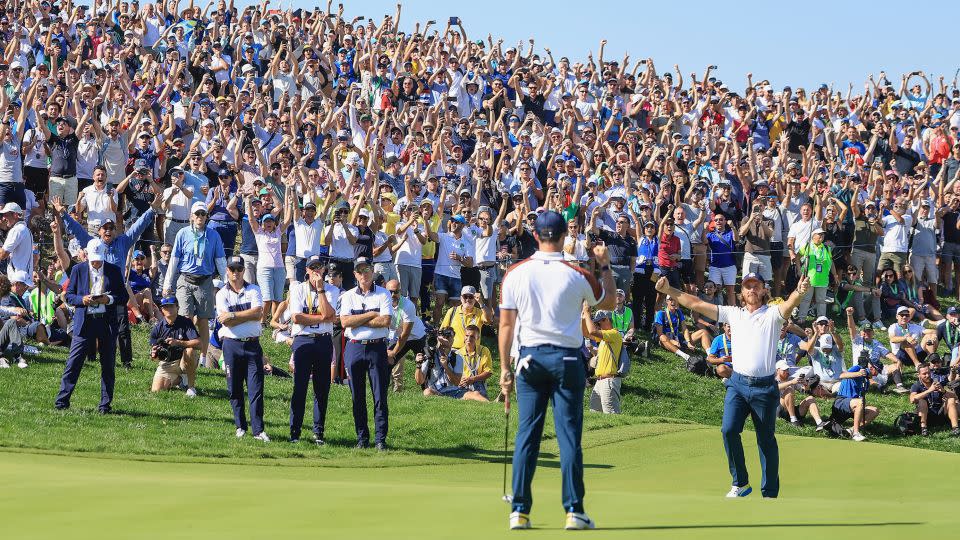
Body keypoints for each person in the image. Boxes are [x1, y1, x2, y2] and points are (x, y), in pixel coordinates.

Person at [499, 210, 616, 530]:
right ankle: (574, 510)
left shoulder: (515, 273)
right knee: (568, 437)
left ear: (535, 236)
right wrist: (604, 263)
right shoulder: (576, 273)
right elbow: (609, 302)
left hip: (529, 360)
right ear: (565, 236)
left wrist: (504, 369)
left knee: (527, 435)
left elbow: (506, 326)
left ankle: (519, 511)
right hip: (567, 361)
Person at [654, 272, 811, 498]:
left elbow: (789, 305)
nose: (752, 290)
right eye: (747, 286)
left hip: (765, 387)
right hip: (737, 384)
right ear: (741, 293)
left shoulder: (773, 315)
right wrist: (669, 290)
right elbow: (696, 302)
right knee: (728, 430)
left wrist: (800, 291)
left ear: (764, 290)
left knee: (765, 440)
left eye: (756, 286)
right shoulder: (733, 314)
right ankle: (740, 482)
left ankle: (769, 492)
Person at [54, 239, 130, 413]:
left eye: (99, 259)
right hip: (84, 322)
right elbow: (69, 296)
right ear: (86, 255)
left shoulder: (114, 270)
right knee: (73, 363)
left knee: (108, 365)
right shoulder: (78, 270)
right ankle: (61, 402)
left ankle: (105, 405)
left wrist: (108, 299)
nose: (96, 263)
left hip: (106, 322)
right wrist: (82, 300)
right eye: (93, 259)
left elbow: (123, 297)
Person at [164, 201, 228, 369]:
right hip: (185, 279)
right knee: (185, 318)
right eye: (197, 214)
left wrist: (228, 284)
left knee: (203, 320)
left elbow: (220, 261)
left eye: (203, 214)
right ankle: (185, 354)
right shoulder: (182, 233)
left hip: (205, 281)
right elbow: (174, 260)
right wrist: (167, 283)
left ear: (207, 217)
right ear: (191, 216)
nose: (200, 217)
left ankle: (203, 356)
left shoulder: (213, 235)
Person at [338, 257, 394, 450]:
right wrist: (371, 315)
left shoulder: (384, 294)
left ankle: (380, 439)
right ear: (355, 274)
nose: (364, 274)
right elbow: (344, 322)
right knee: (357, 397)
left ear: (372, 271)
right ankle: (362, 438)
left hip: (377, 348)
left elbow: (385, 321)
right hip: (354, 347)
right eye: (360, 271)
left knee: (380, 396)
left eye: (367, 270)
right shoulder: (348, 296)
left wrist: (357, 320)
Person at [215, 256, 269, 441]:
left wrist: (233, 315)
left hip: (252, 344)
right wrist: (244, 316)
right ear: (227, 271)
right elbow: (224, 321)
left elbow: (258, 313)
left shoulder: (254, 289)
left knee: (256, 389)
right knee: (234, 388)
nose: (236, 273)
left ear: (244, 271)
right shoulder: (221, 294)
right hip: (231, 345)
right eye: (232, 269)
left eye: (239, 269)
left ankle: (258, 430)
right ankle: (240, 426)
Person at [287, 255, 339, 445]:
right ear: (307, 270)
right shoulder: (298, 289)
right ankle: (295, 432)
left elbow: (330, 314)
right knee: (299, 388)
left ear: (324, 270)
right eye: (312, 267)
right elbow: (296, 318)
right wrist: (323, 318)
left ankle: (318, 433)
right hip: (302, 340)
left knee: (322, 389)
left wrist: (320, 290)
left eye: (319, 267)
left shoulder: (331, 290)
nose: (316, 271)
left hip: (323, 341)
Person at [845, 306, 908, 394]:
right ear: (861, 333)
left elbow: (887, 353)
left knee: (894, 366)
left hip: (877, 369)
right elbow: (851, 328)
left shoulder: (877, 343)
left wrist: (897, 361)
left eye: (869, 331)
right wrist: (849, 315)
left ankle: (900, 386)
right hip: (863, 370)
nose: (867, 333)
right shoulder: (857, 341)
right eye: (865, 331)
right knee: (868, 380)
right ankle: (879, 386)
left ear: (873, 332)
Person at [148, 296, 201, 396]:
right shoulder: (158, 327)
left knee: (189, 350)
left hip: (183, 359)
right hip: (167, 362)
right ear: (162, 310)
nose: (169, 309)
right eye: (165, 307)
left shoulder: (186, 322)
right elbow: (153, 354)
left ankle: (191, 387)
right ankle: (179, 380)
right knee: (156, 391)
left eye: (171, 306)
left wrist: (178, 343)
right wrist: (154, 355)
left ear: (177, 307)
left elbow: (199, 344)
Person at [385, 278, 427, 393]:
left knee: (423, 364)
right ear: (385, 290)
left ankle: (427, 391)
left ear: (400, 291)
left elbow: (405, 334)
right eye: (390, 292)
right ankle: (383, 390)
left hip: (417, 337)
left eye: (396, 291)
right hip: (400, 336)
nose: (393, 295)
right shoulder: (383, 303)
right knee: (386, 362)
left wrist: (394, 352)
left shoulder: (408, 305)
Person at [583, 310, 623, 414]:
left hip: (609, 381)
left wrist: (587, 312)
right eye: (596, 323)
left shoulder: (614, 333)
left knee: (611, 415)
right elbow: (586, 333)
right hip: (600, 381)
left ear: (606, 320)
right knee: (595, 414)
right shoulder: (603, 340)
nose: (597, 325)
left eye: (598, 322)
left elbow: (592, 332)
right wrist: (583, 316)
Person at [830, 362, 879, 442]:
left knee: (874, 410)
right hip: (842, 401)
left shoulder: (866, 382)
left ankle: (850, 431)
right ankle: (856, 434)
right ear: (872, 368)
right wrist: (859, 373)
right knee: (859, 402)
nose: (876, 375)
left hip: (853, 406)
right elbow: (842, 375)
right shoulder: (857, 368)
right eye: (877, 371)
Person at [910, 361, 960, 437]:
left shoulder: (936, 382)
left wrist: (943, 391)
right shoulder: (916, 385)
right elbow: (912, 399)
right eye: (924, 374)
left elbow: (955, 396)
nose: (927, 375)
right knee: (922, 401)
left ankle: (955, 428)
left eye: (928, 373)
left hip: (940, 413)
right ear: (918, 375)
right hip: (927, 415)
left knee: (951, 400)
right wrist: (930, 390)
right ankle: (924, 428)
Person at [775, 360, 828, 430]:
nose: (787, 372)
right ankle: (793, 420)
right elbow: (775, 387)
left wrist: (805, 384)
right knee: (789, 390)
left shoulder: (791, 379)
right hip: (778, 410)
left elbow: (805, 391)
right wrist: (791, 382)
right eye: (784, 370)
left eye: (787, 369)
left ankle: (819, 423)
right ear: (777, 370)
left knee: (810, 398)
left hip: (791, 409)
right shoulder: (773, 380)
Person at [438, 285, 493, 350]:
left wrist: (481, 303)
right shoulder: (452, 311)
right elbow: (441, 331)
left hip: (472, 351)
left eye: (471, 297)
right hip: (454, 350)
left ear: (475, 299)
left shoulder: (479, 312)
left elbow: (489, 320)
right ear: (461, 298)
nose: (468, 299)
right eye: (465, 297)